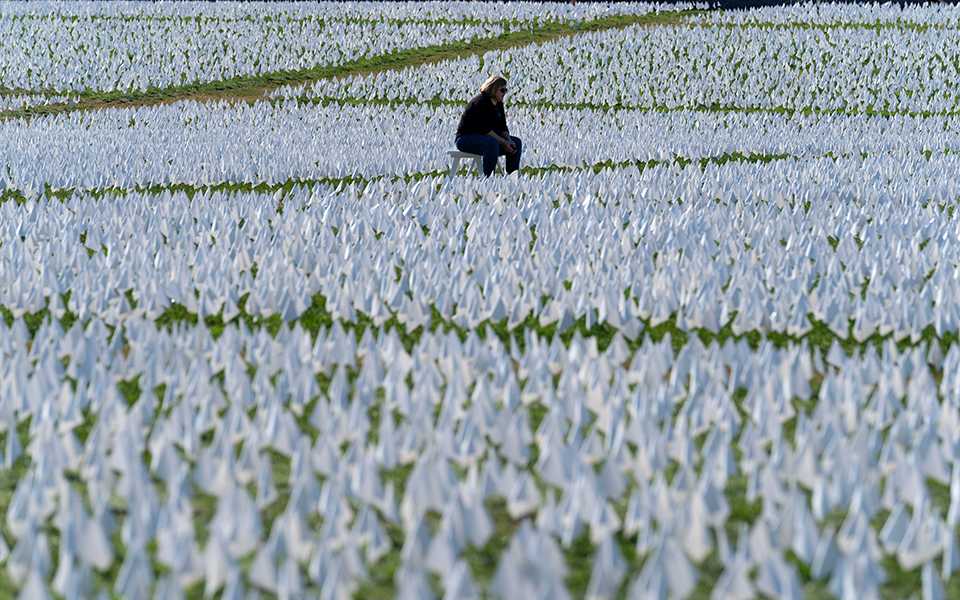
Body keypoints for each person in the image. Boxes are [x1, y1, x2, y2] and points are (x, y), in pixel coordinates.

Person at [454, 75, 522, 177]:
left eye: (506, 90)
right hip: (466, 138)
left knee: (516, 142)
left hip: (486, 138)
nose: (504, 93)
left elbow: (503, 126)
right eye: (502, 90)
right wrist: (503, 142)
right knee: (492, 143)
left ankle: (512, 176)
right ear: (493, 88)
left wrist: (508, 140)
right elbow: (484, 129)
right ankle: (489, 177)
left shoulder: (498, 104)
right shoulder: (481, 102)